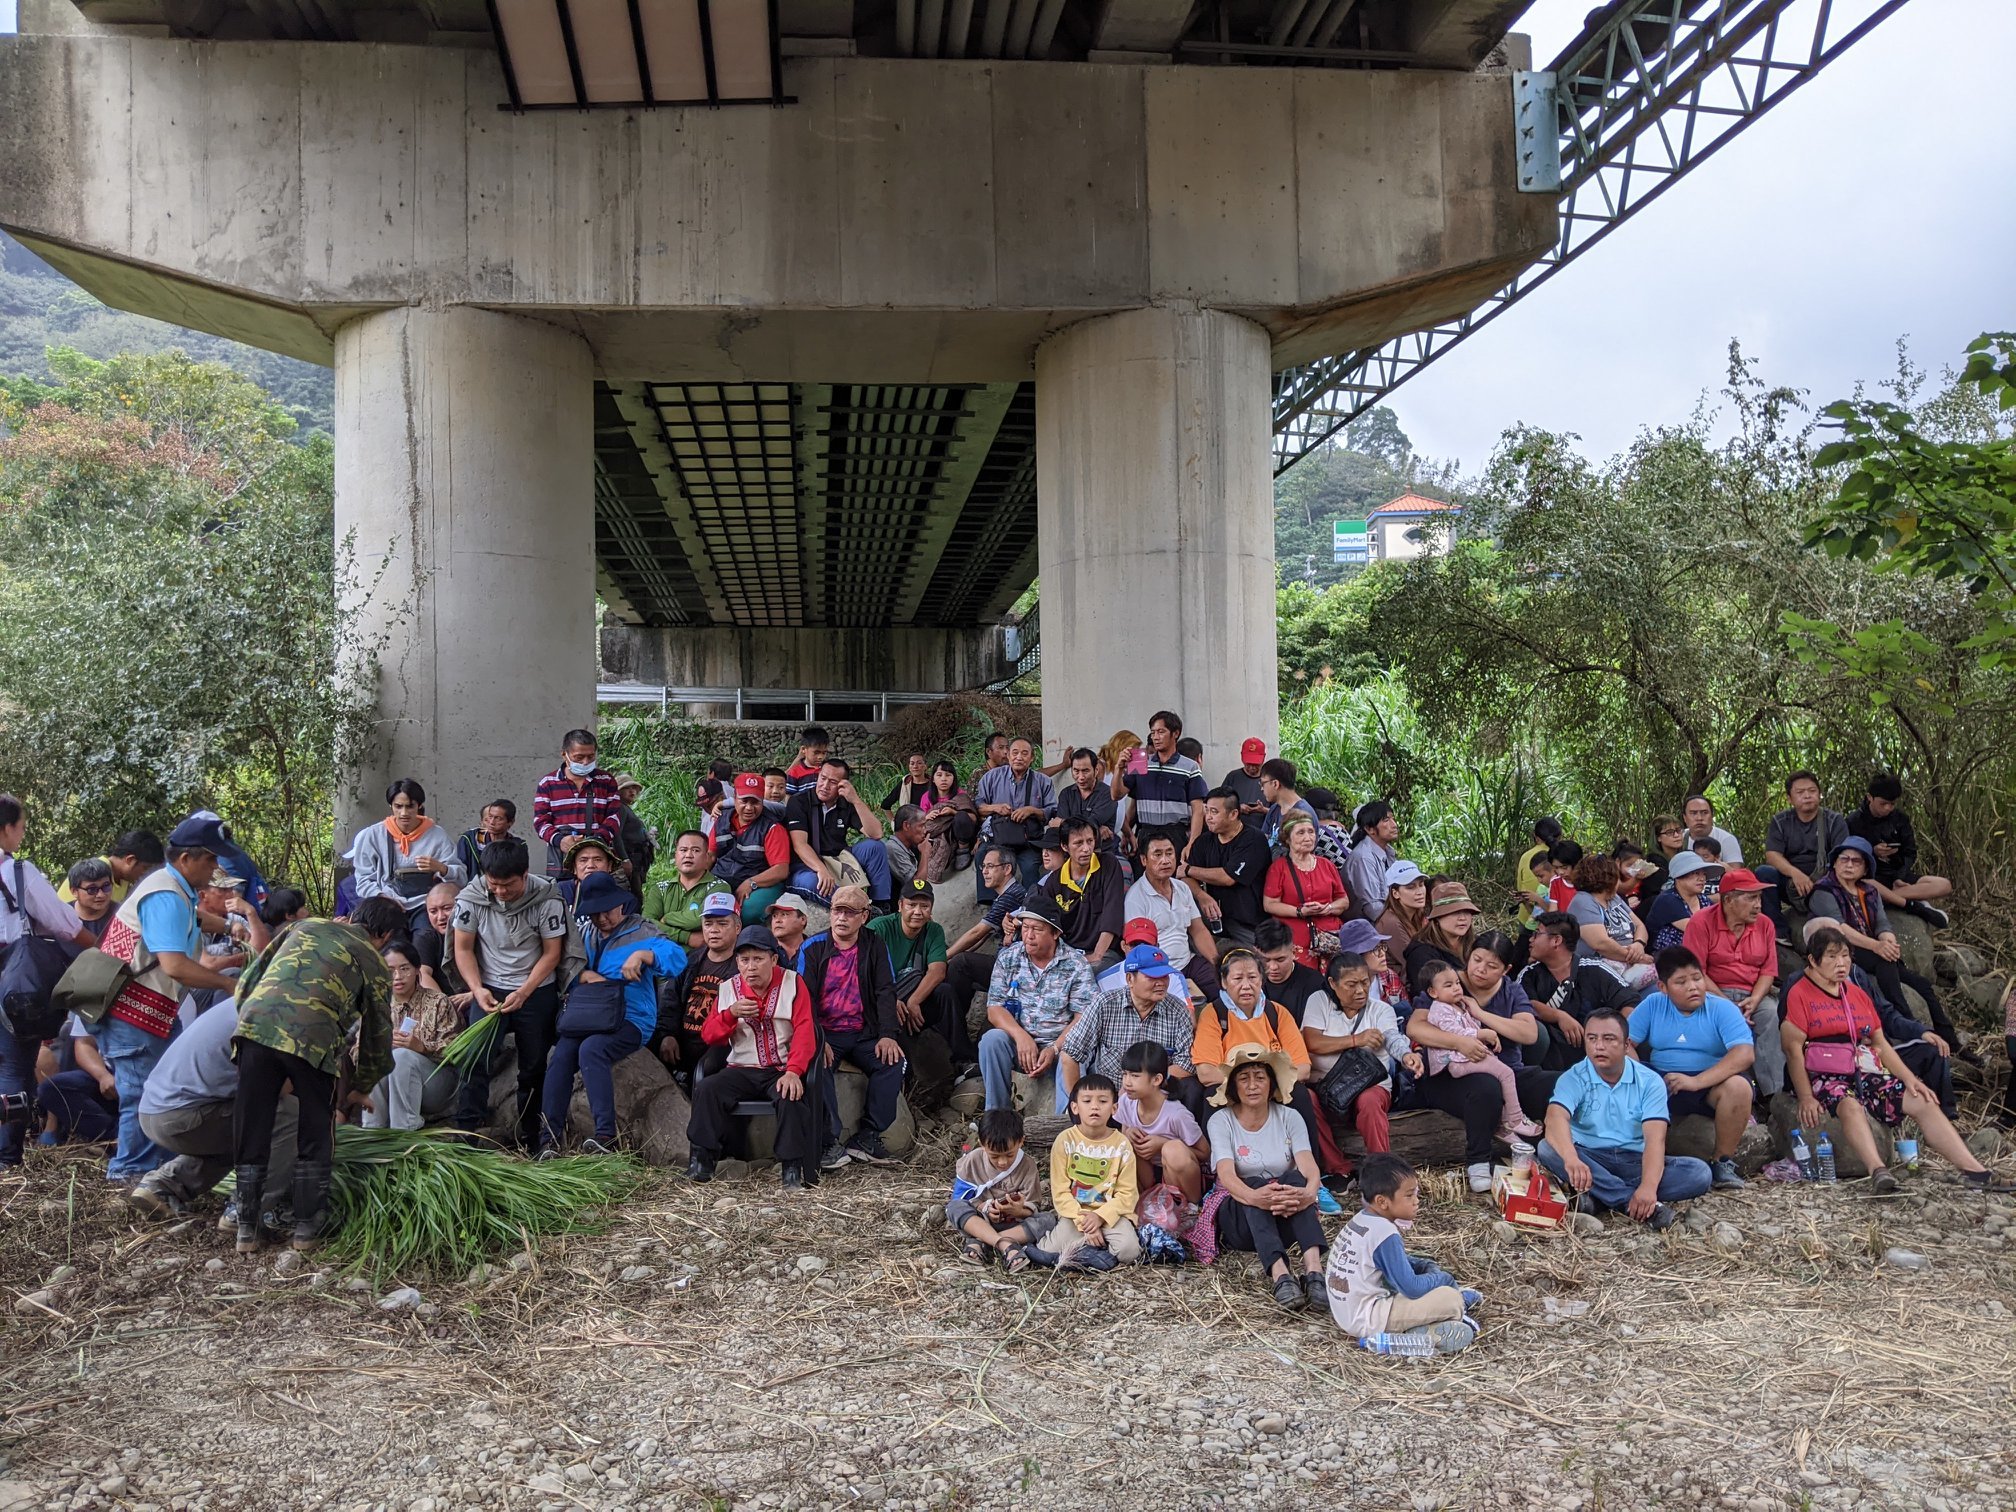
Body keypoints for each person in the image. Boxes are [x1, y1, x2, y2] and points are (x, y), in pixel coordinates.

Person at [230, 897, 403, 1252]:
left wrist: (250, 1021)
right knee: (315, 1131)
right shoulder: (373, 961)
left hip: (255, 1028)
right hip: (312, 1039)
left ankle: (246, 1230)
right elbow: (378, 1034)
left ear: (353, 916)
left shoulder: (302, 926)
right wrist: (361, 1085)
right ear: (384, 935)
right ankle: (307, 1229)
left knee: (253, 1127)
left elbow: (249, 979)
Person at [1782, 928, 2006, 1193]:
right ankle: (1878, 1170)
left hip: (1863, 1069)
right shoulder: (1799, 992)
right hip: (1824, 1074)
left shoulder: (1855, 993)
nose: (1841, 963)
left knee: (1922, 1099)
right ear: (1813, 960)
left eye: (1845, 956)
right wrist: (1806, 1096)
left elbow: (1880, 1043)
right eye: (1831, 956)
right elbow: (1793, 1050)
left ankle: (1976, 1172)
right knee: (1849, 1105)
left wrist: (1910, 1080)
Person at [91, 815, 241, 1183]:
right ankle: (129, 1178)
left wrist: (228, 925)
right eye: (210, 860)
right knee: (143, 1096)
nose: (216, 868)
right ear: (186, 859)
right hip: (132, 1014)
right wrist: (226, 986)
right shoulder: (164, 894)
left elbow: (192, 919)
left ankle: (156, 1178)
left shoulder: (174, 889)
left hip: (152, 1012)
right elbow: (174, 965)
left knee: (164, 1090)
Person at [538, 872, 685, 1158]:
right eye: (595, 914)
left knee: (593, 1049)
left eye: (607, 911)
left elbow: (676, 959)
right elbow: (564, 969)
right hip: (587, 1017)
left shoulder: (643, 930)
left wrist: (644, 955)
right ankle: (549, 1139)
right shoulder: (584, 933)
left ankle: (605, 1136)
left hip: (631, 1018)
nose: (602, 919)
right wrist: (582, 976)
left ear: (621, 905)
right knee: (561, 1056)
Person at [126, 999, 298, 1234]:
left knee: (244, 1132)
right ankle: (246, 1210)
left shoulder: (248, 998)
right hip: (183, 1116)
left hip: (154, 1111)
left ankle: (163, 1186)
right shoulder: (277, 1014)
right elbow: (281, 1088)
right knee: (289, 1113)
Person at [450, 837, 579, 1148]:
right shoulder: (472, 898)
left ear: (524, 875)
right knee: (474, 1059)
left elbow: (552, 953)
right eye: (494, 884)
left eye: (508, 885)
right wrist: (477, 989)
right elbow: (463, 948)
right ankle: (466, 1134)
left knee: (533, 1066)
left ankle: (531, 1136)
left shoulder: (546, 898)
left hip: (535, 991)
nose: (501, 892)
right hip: (489, 991)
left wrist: (524, 991)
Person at [1538, 1006, 1711, 1229]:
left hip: (1634, 1161)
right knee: (1547, 1148)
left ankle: (1601, 1197)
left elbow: (1655, 1140)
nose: (1599, 1046)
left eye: (1609, 1039)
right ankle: (1630, 1203)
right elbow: (1554, 1118)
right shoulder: (1574, 1076)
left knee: (1699, 1173)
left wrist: (1648, 1187)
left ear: (1626, 1045)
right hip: (1589, 1158)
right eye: (1592, 1039)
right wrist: (1572, 1159)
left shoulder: (1649, 1081)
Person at [685, 926, 820, 1189]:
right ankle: (702, 1162)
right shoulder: (727, 989)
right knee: (708, 1089)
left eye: (758, 959)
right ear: (737, 962)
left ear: (773, 959)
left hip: (781, 1067)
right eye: (744, 960)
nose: (751, 967)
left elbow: (805, 1029)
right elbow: (710, 1036)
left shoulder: (794, 982)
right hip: (741, 1068)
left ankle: (791, 1169)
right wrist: (730, 1014)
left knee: (790, 1096)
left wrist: (794, 1070)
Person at [1206, 1045, 1328, 1310]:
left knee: (1295, 1181)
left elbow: (1308, 1164)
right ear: (1233, 1087)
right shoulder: (1221, 1120)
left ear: (1271, 1084)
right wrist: (1256, 1197)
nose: (1252, 1085)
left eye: (1260, 1077)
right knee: (1254, 1182)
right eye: (1244, 1078)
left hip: (1284, 1213)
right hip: (1241, 1217)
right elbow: (1226, 1174)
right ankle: (1280, 1274)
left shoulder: (1290, 1117)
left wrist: (1310, 1192)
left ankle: (1314, 1271)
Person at [1807, 837, 1960, 1047]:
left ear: (1865, 868)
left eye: (1856, 861)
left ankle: (1951, 1041)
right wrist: (1877, 947)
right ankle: (1907, 1023)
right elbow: (1840, 929)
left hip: (1872, 950)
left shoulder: (1869, 891)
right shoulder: (1823, 890)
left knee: (1923, 985)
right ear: (1834, 862)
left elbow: (1882, 924)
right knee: (1884, 961)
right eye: (1844, 859)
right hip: (1843, 952)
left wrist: (1888, 942)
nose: (1849, 865)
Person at [1325, 1154, 1482, 1354]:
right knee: (1450, 1298)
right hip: (1367, 1318)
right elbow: (1412, 1288)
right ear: (1383, 1201)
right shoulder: (1384, 1232)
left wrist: (1421, 1267)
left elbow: (1385, 1264)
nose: (1416, 1201)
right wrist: (1443, 1278)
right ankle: (1431, 1326)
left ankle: (1423, 1327)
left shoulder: (1362, 1220)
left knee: (1423, 1275)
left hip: (1346, 1313)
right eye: (1409, 1196)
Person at [1627, 946, 1755, 1189]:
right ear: (1663, 987)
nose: (1693, 987)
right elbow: (1623, 1043)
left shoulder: (1722, 1008)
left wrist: (1696, 1081)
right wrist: (1644, 1075)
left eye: (1697, 978)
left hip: (1709, 1084)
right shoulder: (1653, 1004)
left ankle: (1723, 1163)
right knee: (1622, 1074)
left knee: (1739, 1087)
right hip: (1661, 1081)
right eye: (1681, 982)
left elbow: (1744, 1054)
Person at [802, 885, 906, 1170]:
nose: (842, 918)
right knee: (814, 1065)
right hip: (827, 1033)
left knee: (892, 1061)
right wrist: (816, 1037)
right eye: (837, 910)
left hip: (863, 1032)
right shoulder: (812, 947)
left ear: (865, 916)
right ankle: (828, 1142)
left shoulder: (874, 945)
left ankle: (868, 1136)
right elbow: (803, 998)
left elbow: (886, 991)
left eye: (850, 912)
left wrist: (887, 1034)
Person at [1301, 951, 1421, 1179]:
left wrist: (1406, 1056)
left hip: (1369, 1087)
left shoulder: (1380, 1009)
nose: (1360, 991)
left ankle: (1380, 1171)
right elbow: (1311, 1041)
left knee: (1370, 1100)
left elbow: (1392, 1037)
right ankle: (1338, 1168)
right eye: (1351, 984)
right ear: (1332, 984)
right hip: (1325, 1087)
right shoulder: (1319, 1001)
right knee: (1305, 1098)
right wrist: (1356, 1040)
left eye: (1365, 982)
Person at [978, 896, 1100, 1113]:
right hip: (1021, 1045)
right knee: (992, 1040)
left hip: (1060, 1044)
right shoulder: (1010, 958)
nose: (1029, 935)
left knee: (1073, 1052)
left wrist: (1054, 1048)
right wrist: (1020, 1035)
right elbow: (994, 1008)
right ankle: (997, 1117)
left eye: (1037, 929)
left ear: (1055, 933)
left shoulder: (1075, 964)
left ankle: (1066, 1125)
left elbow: (1085, 1017)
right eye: (1025, 928)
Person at [1018, 1072, 1142, 1271]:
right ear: (1075, 1107)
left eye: (1103, 1101)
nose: (1095, 1106)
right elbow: (1060, 1192)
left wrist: (1100, 1217)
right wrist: (1084, 1221)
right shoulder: (1065, 1141)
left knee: (1129, 1252)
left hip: (1110, 1215)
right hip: (1075, 1214)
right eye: (1087, 1100)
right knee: (1048, 1249)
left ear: (1114, 1108)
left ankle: (1083, 1252)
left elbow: (1127, 1194)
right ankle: (1092, 1252)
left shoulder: (1121, 1145)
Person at [1680, 868, 1785, 1100]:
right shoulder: (1701, 922)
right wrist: (1728, 1005)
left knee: (1769, 1014)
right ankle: (1729, 1089)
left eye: (1759, 897)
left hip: (1753, 993)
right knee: (1715, 1020)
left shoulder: (1765, 924)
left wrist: (1755, 1000)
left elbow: (1768, 971)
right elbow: (1695, 973)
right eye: (1750, 898)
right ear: (1728, 900)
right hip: (1712, 992)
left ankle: (1774, 1096)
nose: (1758, 904)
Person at [1415, 958, 1543, 1143]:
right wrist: (1481, 1033)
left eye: (1457, 983)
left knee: (1498, 1080)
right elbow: (1454, 1031)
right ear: (1433, 992)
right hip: (1456, 1060)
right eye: (1449, 985)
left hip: (1464, 1057)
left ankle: (1502, 1125)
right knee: (1506, 1073)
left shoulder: (1458, 1006)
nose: (1457, 988)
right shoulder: (1439, 1009)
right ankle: (1515, 1118)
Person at [1058, 942, 1195, 1097]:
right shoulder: (1105, 1004)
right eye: (1152, 977)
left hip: (1157, 1099)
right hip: (1111, 1099)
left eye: (1164, 976)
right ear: (1130, 979)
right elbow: (1070, 1052)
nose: (1161, 983)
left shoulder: (1177, 1010)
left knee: (1192, 1088)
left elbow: (1187, 1063)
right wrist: (1077, 1100)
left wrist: (1142, 1084)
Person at [364, 941, 465, 1131]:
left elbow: (457, 1051)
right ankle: (372, 1131)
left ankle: (404, 1129)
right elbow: (356, 1052)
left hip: (437, 1087)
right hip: (388, 1086)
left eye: (404, 969)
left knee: (402, 1057)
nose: (397, 977)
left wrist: (422, 1047)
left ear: (417, 970)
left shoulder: (438, 1002)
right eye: (390, 970)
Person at [1519, 911, 1636, 1072]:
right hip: (1553, 1060)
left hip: (1598, 1054)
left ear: (1556, 940)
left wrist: (1609, 1036)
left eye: (1537, 934)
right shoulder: (1529, 974)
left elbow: (1630, 1001)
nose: (1531, 940)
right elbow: (1522, 1005)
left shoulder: (1595, 968)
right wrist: (1559, 1016)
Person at [866, 876, 965, 1064]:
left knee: (945, 992)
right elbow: (863, 972)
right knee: (894, 1015)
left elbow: (938, 970)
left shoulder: (933, 930)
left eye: (924, 906)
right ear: (900, 905)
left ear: (931, 909)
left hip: (912, 997)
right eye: (912, 905)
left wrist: (914, 1001)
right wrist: (890, 1000)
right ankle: (904, 1073)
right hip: (882, 998)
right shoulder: (879, 928)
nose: (918, 912)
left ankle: (962, 1060)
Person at [349, 779, 465, 920]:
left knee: (424, 937)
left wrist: (441, 868)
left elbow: (461, 878)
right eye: (398, 806)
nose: (404, 813)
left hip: (425, 904)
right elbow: (363, 880)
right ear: (391, 806)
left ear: (419, 805)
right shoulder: (373, 835)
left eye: (410, 806)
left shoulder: (437, 835)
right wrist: (382, 896)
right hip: (385, 904)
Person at [1846, 773, 1952, 928]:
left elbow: (1910, 852)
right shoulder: (1853, 821)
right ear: (1870, 797)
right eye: (1883, 804)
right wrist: (1872, 852)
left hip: (1897, 875)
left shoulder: (1900, 819)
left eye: (1892, 804)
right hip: (1871, 877)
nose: (1888, 808)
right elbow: (1848, 856)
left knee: (1944, 885)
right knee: (1865, 884)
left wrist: (1899, 877)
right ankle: (1912, 902)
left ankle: (1888, 898)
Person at [656, 893, 741, 1083]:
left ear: (737, 927)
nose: (714, 930)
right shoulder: (693, 959)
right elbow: (671, 1000)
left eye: (722, 923)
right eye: (708, 924)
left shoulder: (744, 965)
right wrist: (667, 1034)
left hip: (720, 1048)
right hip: (682, 1043)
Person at [947, 1107, 1049, 1265]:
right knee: (955, 1207)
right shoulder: (972, 1161)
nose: (1002, 1162)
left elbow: (1033, 1204)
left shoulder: (1027, 1165)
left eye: (1010, 1154)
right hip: (980, 1219)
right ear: (982, 1144)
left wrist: (1018, 1210)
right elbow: (963, 1196)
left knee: (1047, 1220)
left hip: (1013, 1222)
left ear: (1021, 1141)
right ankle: (1006, 1245)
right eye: (994, 1156)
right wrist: (984, 1207)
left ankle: (981, 1241)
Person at [786, 758, 892, 907]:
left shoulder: (845, 802)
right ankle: (858, 908)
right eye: (823, 778)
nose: (825, 786)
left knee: (875, 847)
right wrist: (821, 869)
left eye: (833, 782)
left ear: (843, 785)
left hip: (838, 859)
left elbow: (876, 834)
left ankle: (881, 906)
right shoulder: (799, 801)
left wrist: (856, 800)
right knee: (815, 882)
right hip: (806, 865)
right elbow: (799, 844)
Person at [1125, 832, 1220, 996]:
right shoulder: (1136, 898)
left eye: (1169, 853)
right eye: (1157, 854)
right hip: (1158, 968)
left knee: (1222, 988)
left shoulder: (1182, 888)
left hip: (1188, 961)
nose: (1165, 860)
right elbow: (1137, 949)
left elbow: (1198, 930)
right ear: (1143, 860)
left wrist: (1217, 964)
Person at [1116, 1040, 1207, 1204]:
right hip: (1146, 1176)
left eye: (1135, 1076)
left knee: (1173, 1149)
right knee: (1123, 1144)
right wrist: (1128, 1134)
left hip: (1178, 1177)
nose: (1127, 1082)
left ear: (1156, 1079)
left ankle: (1191, 1210)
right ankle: (1144, 1205)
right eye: (1125, 1074)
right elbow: (1123, 1136)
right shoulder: (1126, 1102)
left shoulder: (1176, 1114)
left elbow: (1205, 1154)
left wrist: (1163, 1144)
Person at [943, 846, 1025, 1024]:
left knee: (960, 963)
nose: (985, 872)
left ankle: (953, 1022)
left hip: (1014, 969)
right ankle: (956, 1024)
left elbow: (978, 932)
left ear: (1007, 869)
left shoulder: (1011, 896)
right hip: (1007, 963)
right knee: (959, 966)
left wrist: (945, 957)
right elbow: (982, 938)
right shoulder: (1007, 895)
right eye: (983, 867)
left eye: (990, 866)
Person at [1182, 787, 1271, 946]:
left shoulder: (1253, 839)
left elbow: (1228, 877)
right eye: (1207, 811)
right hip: (1214, 918)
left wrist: (1189, 869)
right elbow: (1183, 877)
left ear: (1233, 814)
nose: (1208, 817)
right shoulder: (1204, 840)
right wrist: (1201, 896)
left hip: (1247, 923)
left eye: (1214, 812)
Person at [532, 728, 625, 879]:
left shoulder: (606, 780)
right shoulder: (548, 783)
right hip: (562, 861)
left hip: (597, 860)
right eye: (579, 757)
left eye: (590, 757)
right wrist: (559, 840)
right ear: (565, 755)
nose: (585, 762)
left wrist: (597, 841)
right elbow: (540, 822)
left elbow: (614, 817)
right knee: (565, 898)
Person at [1115, 710, 1207, 861]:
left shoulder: (1190, 767)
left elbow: (1198, 810)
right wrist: (1118, 769)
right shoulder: (1140, 761)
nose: (1156, 737)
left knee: (1175, 880)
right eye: (1153, 733)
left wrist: (1192, 843)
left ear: (1175, 733)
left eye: (1161, 732)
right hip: (1146, 832)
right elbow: (1116, 795)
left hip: (1176, 834)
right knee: (1144, 881)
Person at [1263, 813, 1349, 971]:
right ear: (1288, 838)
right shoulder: (1279, 868)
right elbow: (1269, 904)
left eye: (1311, 832)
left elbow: (1343, 900)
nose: (1308, 837)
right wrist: (1300, 911)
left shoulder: (1327, 865)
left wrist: (1328, 908)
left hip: (1330, 939)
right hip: (1295, 940)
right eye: (1301, 832)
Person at [1760, 769, 1849, 921]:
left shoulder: (1834, 820)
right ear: (1789, 798)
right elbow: (1772, 855)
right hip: (1792, 884)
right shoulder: (1781, 821)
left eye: (1812, 791)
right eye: (1800, 792)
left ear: (1819, 793)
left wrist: (1823, 881)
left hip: (1826, 881)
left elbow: (1843, 856)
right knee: (1764, 873)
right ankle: (1778, 930)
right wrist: (1796, 874)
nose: (1807, 796)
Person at [1039, 816, 1124, 968]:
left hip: (1105, 952)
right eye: (1078, 843)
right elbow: (1047, 923)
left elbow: (1112, 913)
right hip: (1068, 953)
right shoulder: (1054, 882)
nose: (1086, 848)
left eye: (1090, 841)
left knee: (1090, 972)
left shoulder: (1109, 864)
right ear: (1064, 846)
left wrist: (1097, 954)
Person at [973, 737, 1055, 891]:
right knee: (983, 856)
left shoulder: (1043, 781)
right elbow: (979, 807)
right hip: (999, 838)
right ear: (1008, 755)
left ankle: (1029, 906)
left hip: (1028, 840)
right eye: (1015, 752)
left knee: (1030, 866)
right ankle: (993, 907)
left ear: (1032, 758)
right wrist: (995, 808)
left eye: (1025, 753)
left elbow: (1052, 811)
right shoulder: (991, 777)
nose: (1019, 757)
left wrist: (1031, 810)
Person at [711, 773, 794, 922]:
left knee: (747, 911)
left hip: (762, 882)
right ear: (734, 799)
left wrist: (751, 883)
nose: (749, 807)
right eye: (744, 801)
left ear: (762, 801)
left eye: (755, 802)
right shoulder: (721, 820)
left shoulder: (772, 827)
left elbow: (781, 869)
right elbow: (710, 854)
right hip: (722, 878)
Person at [1566, 853, 1655, 991]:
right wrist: (1637, 958)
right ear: (1608, 879)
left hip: (1630, 959)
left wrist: (1639, 944)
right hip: (1602, 968)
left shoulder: (1614, 899)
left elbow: (1639, 925)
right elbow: (1600, 943)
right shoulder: (1583, 901)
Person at [33, 1016, 118, 1148]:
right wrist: (103, 1076)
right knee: (52, 1089)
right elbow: (84, 1044)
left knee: (66, 1031)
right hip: (107, 1074)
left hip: (143, 1079)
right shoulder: (89, 999)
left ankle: (124, 1139)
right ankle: (112, 1138)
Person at [642, 830, 715, 947]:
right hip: (661, 957)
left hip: (700, 958)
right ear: (676, 855)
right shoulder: (659, 889)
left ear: (707, 857)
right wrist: (686, 937)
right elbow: (646, 924)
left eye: (696, 850)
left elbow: (700, 919)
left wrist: (666, 918)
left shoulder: (718, 887)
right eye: (683, 850)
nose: (688, 855)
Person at [56, 829, 164, 906]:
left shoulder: (122, 878)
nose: (147, 874)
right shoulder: (94, 872)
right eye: (145, 868)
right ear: (130, 860)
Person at [1254, 919, 1329, 1025]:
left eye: (1280, 960)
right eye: (1265, 960)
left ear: (1293, 952)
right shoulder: (1249, 983)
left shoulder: (1314, 983)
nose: (1273, 967)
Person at [1404, 881, 1482, 980]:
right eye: (1455, 912)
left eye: (1467, 911)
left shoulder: (1477, 944)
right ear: (1437, 918)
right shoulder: (1422, 953)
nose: (1462, 918)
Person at [1343, 801, 1402, 924]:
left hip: (1387, 921)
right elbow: (1373, 908)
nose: (1394, 825)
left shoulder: (1388, 853)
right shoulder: (1363, 858)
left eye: (1393, 819)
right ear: (1370, 829)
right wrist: (1404, 922)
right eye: (1386, 820)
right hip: (1368, 929)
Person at [919, 760, 980, 876]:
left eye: (948, 775)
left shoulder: (960, 795)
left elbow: (973, 818)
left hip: (959, 834)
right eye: (939, 775)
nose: (943, 779)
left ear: (953, 778)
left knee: (961, 816)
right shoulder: (926, 797)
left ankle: (963, 850)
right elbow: (921, 823)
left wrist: (953, 812)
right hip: (937, 836)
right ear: (933, 779)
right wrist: (927, 817)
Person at [1644, 851, 1713, 952]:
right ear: (1679, 876)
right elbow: (1696, 930)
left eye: (1704, 874)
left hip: (1701, 954)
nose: (1702, 879)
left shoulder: (1705, 900)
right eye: (1696, 873)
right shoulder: (1667, 899)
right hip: (1666, 959)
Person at [1056, 747, 1120, 851]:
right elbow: (1064, 829)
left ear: (1096, 771)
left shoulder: (1108, 793)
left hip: (1101, 851)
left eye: (1085, 771)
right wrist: (1095, 829)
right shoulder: (1066, 794)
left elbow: (1091, 822)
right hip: (1072, 852)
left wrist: (1063, 822)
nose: (1081, 777)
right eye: (1076, 771)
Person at [1256, 758, 1318, 851]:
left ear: (1275, 784)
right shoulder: (1274, 809)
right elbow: (1262, 841)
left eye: (1262, 783)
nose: (1261, 788)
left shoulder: (1303, 813)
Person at [612, 773, 656, 899]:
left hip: (637, 860)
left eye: (633, 788)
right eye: (627, 788)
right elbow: (616, 834)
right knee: (633, 896)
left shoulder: (625, 808)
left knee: (636, 893)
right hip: (630, 859)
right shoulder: (619, 808)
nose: (632, 791)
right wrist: (624, 859)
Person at [1374, 860, 1429, 960]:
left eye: (1421, 885)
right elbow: (1414, 961)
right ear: (1395, 893)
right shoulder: (1391, 922)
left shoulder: (1417, 916)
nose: (1419, 892)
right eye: (1411, 887)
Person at [1635, 815, 1689, 916]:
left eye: (1678, 830)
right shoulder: (1653, 862)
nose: (1677, 835)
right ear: (1658, 837)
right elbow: (1653, 896)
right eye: (1669, 832)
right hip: (1659, 910)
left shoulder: (1688, 856)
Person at [455, 799, 518, 882]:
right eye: (489, 817)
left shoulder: (517, 845)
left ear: (510, 822)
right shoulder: (470, 839)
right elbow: (459, 870)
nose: (491, 822)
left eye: (498, 818)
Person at [1682, 794, 1744, 866]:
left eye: (1704, 813)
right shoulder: (1678, 838)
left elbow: (1736, 873)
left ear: (1712, 816)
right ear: (1685, 818)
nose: (1699, 818)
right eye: (1693, 813)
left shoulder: (1726, 839)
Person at [1221, 737, 1269, 818]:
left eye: (1256, 764)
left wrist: (1264, 810)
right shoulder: (1233, 777)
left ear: (1263, 758)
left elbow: (1281, 811)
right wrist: (1238, 808)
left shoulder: (1270, 779)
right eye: (1248, 763)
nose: (1251, 767)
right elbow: (1221, 804)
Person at [884, 804, 927, 888]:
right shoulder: (892, 848)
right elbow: (917, 886)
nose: (925, 831)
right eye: (921, 826)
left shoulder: (906, 848)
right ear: (906, 826)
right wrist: (925, 852)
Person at [784, 725, 831, 797]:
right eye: (816, 752)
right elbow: (789, 796)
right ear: (803, 749)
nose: (820, 757)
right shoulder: (794, 772)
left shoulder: (828, 770)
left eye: (824, 753)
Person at [882, 752, 932, 819]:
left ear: (925, 766)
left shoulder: (934, 784)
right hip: (910, 826)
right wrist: (894, 824)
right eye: (912, 763)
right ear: (909, 767)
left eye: (919, 763)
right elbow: (885, 805)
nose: (915, 766)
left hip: (931, 825)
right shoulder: (904, 784)